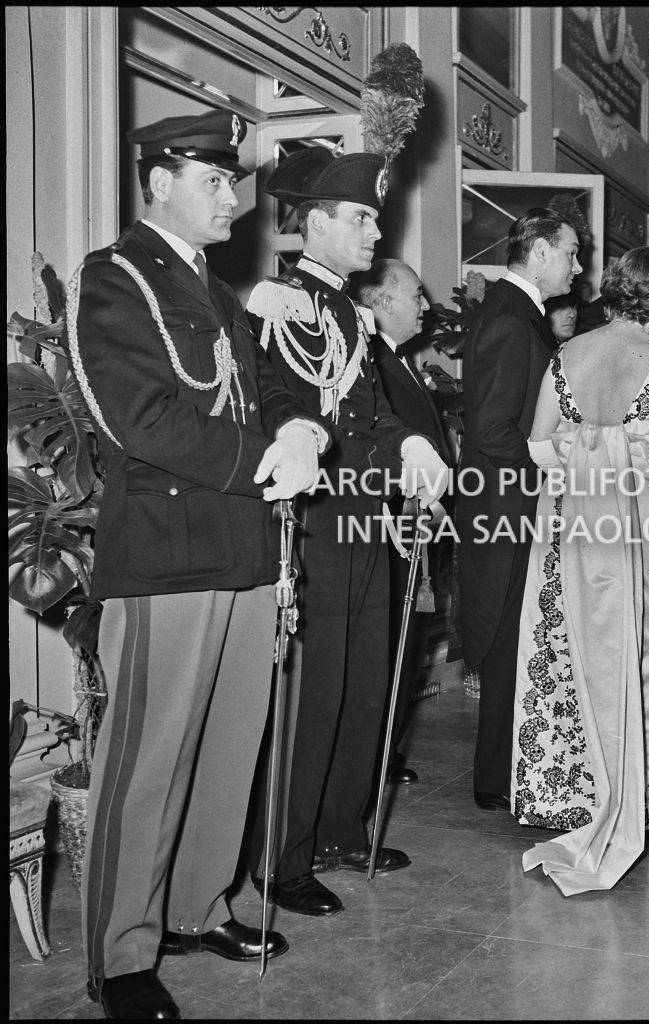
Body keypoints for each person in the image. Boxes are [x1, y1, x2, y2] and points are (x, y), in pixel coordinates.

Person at [70, 110, 327, 1020]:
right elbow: (137, 417)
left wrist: (300, 428)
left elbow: (272, 386)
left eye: (233, 180)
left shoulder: (217, 290)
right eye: (212, 180)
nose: (231, 198)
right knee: (148, 760)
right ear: (159, 182)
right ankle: (120, 956)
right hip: (169, 552)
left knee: (228, 744)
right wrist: (264, 459)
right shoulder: (117, 277)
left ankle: (196, 906)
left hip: (245, 546)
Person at [245, 150, 450, 917]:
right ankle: (282, 858)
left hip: (364, 519)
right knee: (314, 694)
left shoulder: (352, 316)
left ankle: (339, 830)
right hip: (314, 523)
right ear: (317, 222)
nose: (373, 232)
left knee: (365, 687)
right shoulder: (279, 304)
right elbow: (286, 410)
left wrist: (411, 446)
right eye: (360, 218)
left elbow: (370, 418)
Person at [511, 247, 649, 896]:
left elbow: (537, 446)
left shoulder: (567, 353)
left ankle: (583, 793)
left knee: (575, 649)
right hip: (632, 515)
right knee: (645, 654)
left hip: (572, 516)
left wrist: (585, 466)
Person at [457, 207, 582, 811]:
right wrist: (554, 467)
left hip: (509, 501)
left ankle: (502, 775)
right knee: (508, 641)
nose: (578, 268)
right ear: (539, 252)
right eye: (571, 253)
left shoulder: (515, 312)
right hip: (506, 506)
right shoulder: (511, 318)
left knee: (513, 641)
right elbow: (492, 429)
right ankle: (498, 779)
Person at [355, 258, 454, 786]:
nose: (425, 304)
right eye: (415, 294)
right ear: (382, 301)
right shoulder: (372, 361)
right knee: (392, 640)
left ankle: (382, 752)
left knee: (408, 640)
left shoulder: (399, 359)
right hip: (395, 526)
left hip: (418, 523)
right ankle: (371, 757)